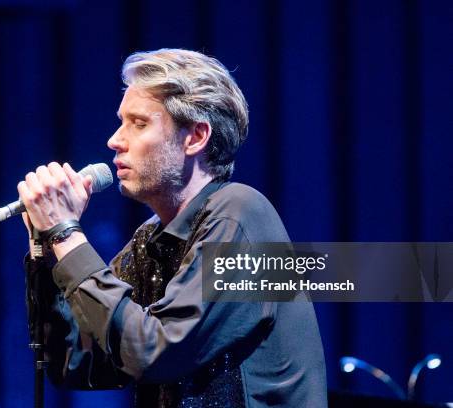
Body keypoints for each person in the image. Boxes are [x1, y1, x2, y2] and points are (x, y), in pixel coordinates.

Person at [18, 49, 327, 407]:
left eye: (138, 123)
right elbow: (79, 361)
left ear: (195, 137)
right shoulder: (149, 242)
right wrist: (47, 250)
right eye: (121, 122)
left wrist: (67, 234)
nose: (115, 140)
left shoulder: (240, 214)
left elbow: (155, 351)